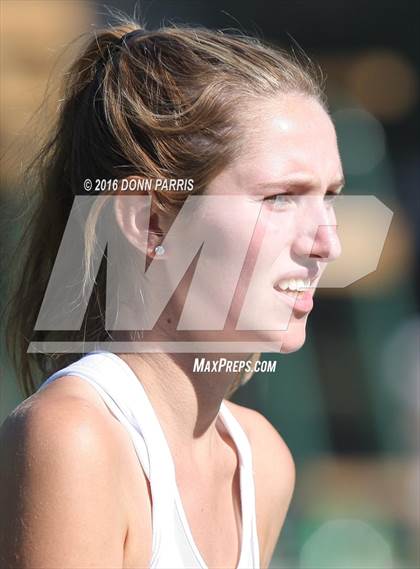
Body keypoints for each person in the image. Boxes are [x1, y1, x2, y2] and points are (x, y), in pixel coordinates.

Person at [0, 17, 344, 569]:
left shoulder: (260, 459)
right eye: (281, 197)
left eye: (329, 195)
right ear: (151, 222)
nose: (329, 242)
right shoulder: (76, 439)